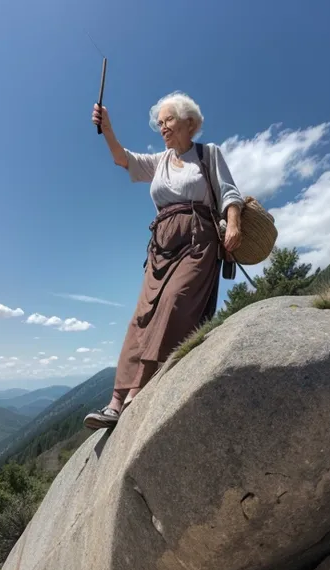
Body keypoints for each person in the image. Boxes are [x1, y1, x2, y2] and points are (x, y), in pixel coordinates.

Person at [84, 92, 244, 430]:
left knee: (174, 302)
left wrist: (234, 223)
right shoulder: (159, 161)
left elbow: (230, 193)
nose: (163, 127)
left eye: (168, 120)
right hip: (160, 246)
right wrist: (108, 128)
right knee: (142, 316)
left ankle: (139, 391)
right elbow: (121, 159)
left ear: (189, 122)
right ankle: (115, 402)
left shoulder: (208, 154)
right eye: (159, 123)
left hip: (198, 239)